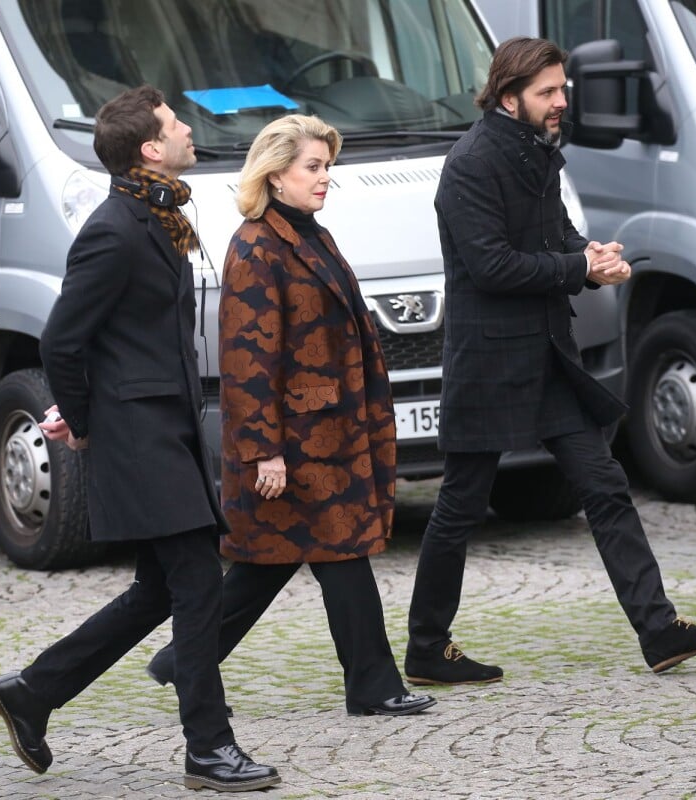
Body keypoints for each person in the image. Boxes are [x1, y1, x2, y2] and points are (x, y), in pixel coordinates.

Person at [403, 37, 696, 685]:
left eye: (563, 89)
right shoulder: (470, 163)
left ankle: (658, 629)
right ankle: (425, 648)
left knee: (606, 486)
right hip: (489, 362)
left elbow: (557, 237)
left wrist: (595, 260)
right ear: (509, 98)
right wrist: (576, 266)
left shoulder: (538, 152)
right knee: (461, 506)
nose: (563, 101)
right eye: (548, 92)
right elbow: (491, 266)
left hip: (549, 356)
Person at [0, 85, 280, 793]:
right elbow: (62, 341)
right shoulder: (115, 229)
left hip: (167, 429)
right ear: (150, 147)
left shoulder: (158, 215)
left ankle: (33, 691)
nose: (187, 132)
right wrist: (82, 424)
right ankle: (208, 747)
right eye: (176, 126)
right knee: (199, 578)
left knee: (159, 588)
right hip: (136, 436)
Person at [145, 114, 435, 719]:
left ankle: (183, 660)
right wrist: (262, 450)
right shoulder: (255, 246)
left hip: (332, 433)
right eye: (314, 166)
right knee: (334, 552)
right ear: (276, 175)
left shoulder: (308, 234)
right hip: (298, 444)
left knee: (277, 561)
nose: (326, 177)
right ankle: (374, 685)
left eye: (327, 165)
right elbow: (248, 360)